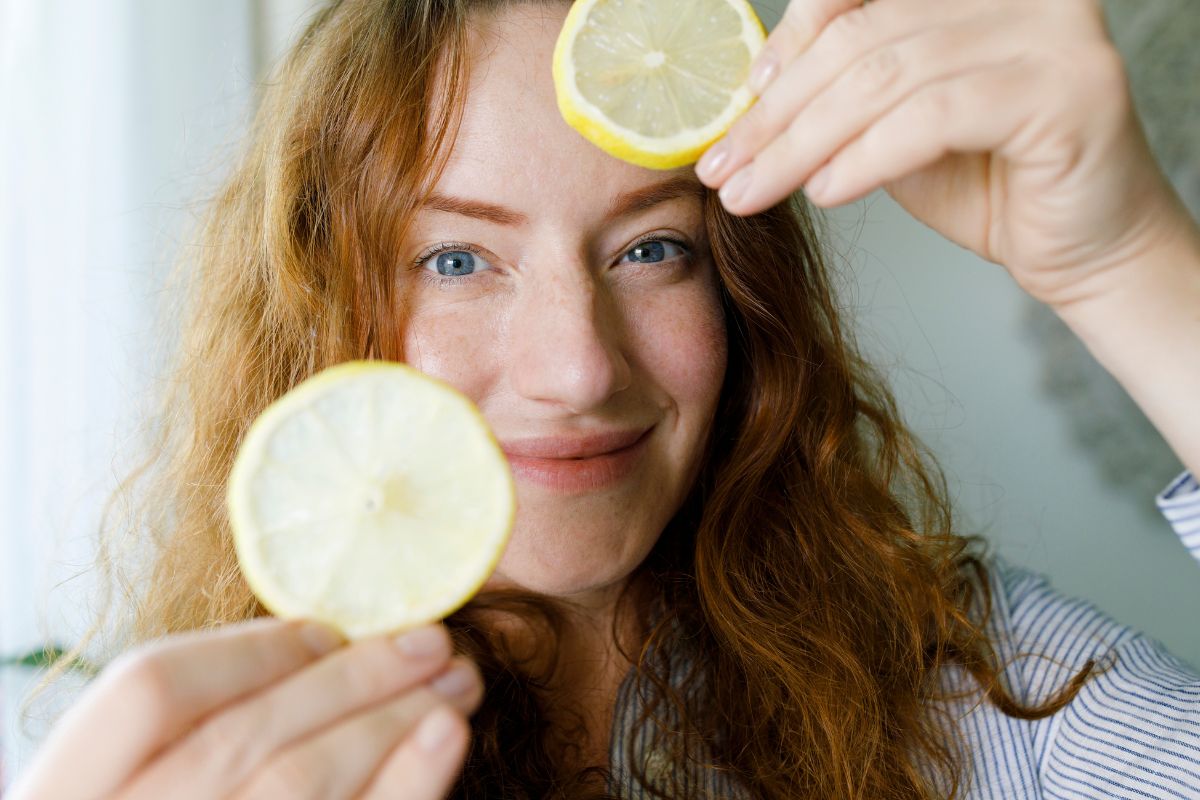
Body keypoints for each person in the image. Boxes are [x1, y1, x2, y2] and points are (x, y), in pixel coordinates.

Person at [10, 0, 1200, 797]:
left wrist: (1131, 263)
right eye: (456, 260)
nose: (578, 369)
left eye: (651, 250)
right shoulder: (196, 760)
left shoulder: (982, 685)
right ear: (316, 311)